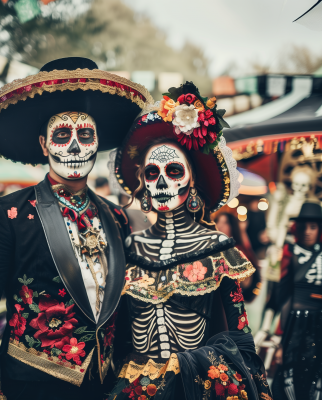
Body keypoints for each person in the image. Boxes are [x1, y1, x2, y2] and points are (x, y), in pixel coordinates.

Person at [0, 57, 152, 400]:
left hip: (105, 385)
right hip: (31, 385)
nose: (75, 147)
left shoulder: (116, 217)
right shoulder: (11, 213)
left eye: (85, 135)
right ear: (44, 145)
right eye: (62, 135)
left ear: (97, 143)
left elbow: (122, 311)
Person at [107, 82, 272, 399]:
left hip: (195, 387)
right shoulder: (129, 247)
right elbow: (117, 333)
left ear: (191, 179)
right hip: (133, 386)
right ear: (142, 182)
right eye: (153, 173)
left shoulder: (217, 247)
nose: (163, 183)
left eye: (173, 171)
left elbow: (239, 335)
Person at [263, 202, 322, 400]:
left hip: (319, 323)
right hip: (296, 322)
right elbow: (284, 296)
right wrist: (278, 335)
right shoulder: (290, 253)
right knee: (289, 373)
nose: (307, 232)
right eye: (303, 226)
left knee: (316, 375)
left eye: (312, 227)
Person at [215, 212, 261, 302]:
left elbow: (246, 283)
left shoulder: (237, 251)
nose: (220, 225)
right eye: (218, 221)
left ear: (233, 227)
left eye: (225, 223)